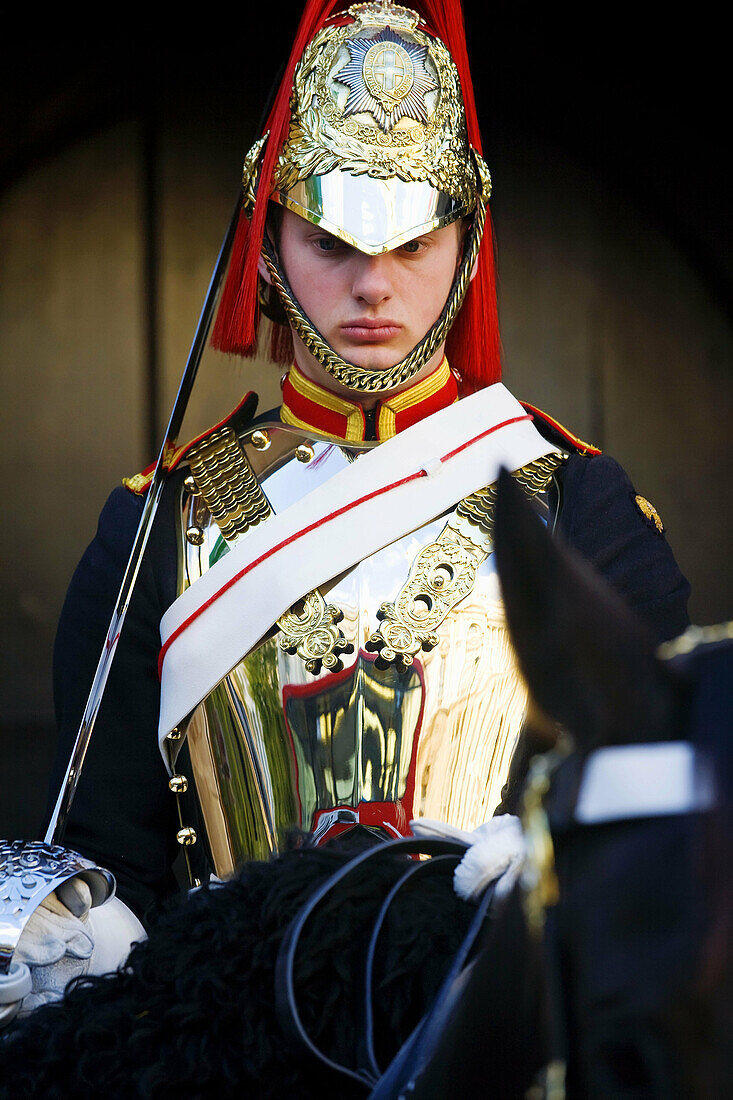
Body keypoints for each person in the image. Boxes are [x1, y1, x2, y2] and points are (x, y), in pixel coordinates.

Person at [8, 0, 690, 1017]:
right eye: (333, 240)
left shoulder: (579, 507)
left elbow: (665, 831)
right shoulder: (158, 523)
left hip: (487, 1024)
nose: (376, 285)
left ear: (466, 240)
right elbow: (113, 851)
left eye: (415, 242)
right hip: (223, 1045)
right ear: (270, 237)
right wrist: (70, 930)